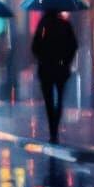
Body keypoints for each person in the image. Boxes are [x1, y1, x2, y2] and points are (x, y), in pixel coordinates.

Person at [31, 10, 78, 142]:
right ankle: (55, 127)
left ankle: (53, 129)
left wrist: (42, 57)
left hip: (46, 68)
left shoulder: (43, 26)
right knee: (60, 98)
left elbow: (35, 47)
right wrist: (66, 60)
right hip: (61, 68)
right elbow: (73, 45)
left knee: (49, 100)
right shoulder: (64, 25)